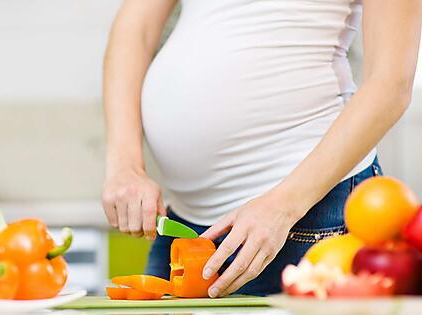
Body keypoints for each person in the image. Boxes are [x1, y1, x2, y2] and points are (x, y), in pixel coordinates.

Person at [101, 0, 422, 297]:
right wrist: (124, 164)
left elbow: (390, 84)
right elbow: (135, 28)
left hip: (302, 218)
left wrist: (282, 207)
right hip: (185, 229)